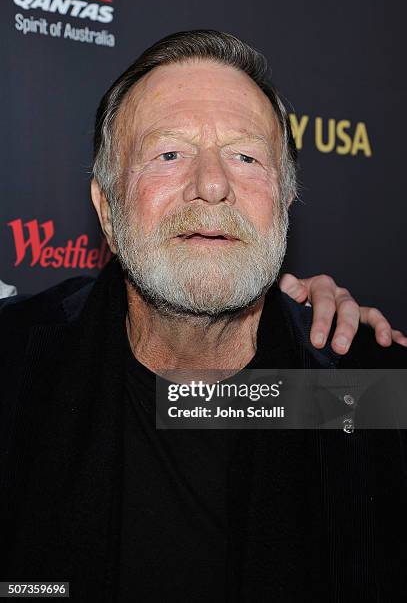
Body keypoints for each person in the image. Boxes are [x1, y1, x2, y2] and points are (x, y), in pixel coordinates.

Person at [1, 30, 406, 602]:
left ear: (284, 207)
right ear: (107, 210)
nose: (213, 185)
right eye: (169, 154)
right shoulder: (12, 363)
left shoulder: (372, 393)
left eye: (245, 157)